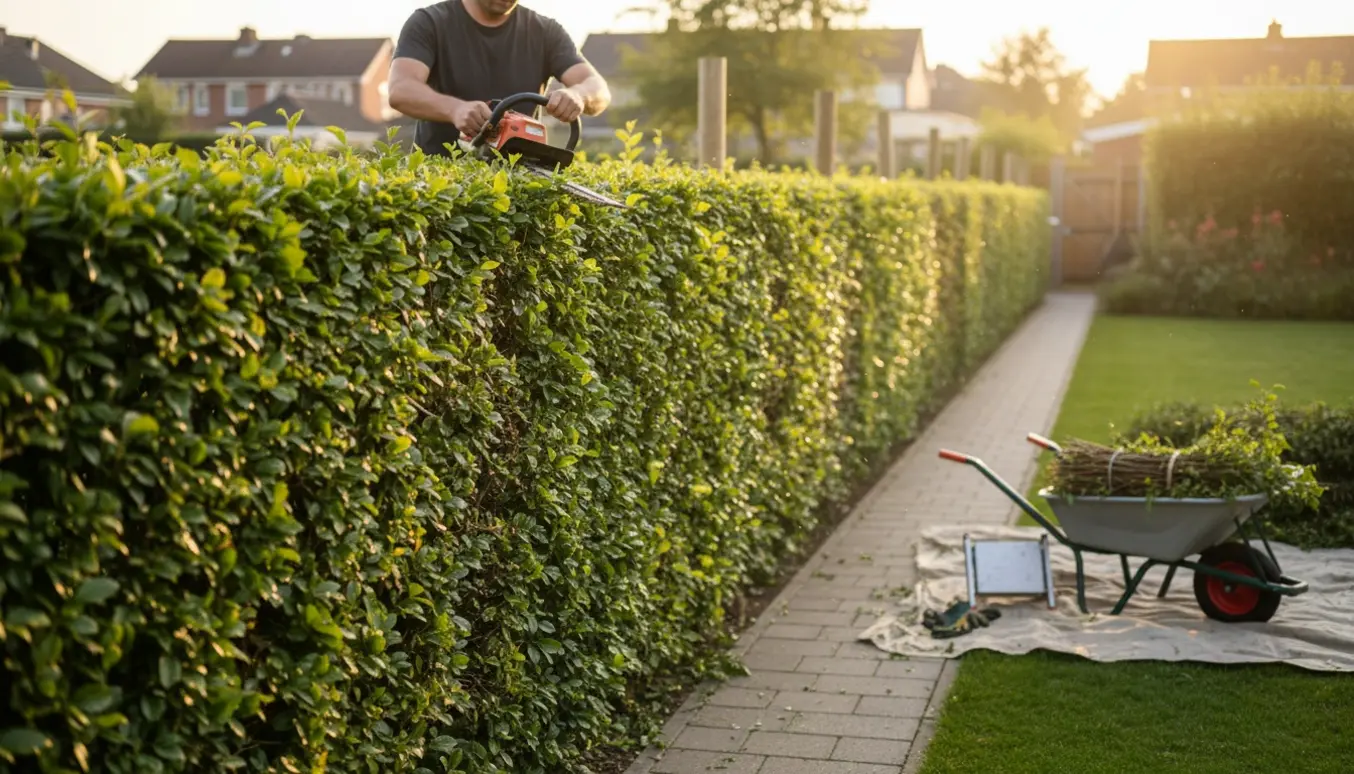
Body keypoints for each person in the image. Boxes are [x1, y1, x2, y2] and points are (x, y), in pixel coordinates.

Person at [388, 0, 612, 156]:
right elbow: (401, 89)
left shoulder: (545, 32)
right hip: (442, 186)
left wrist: (578, 95)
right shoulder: (429, 22)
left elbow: (598, 89)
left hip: (518, 184)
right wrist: (454, 109)